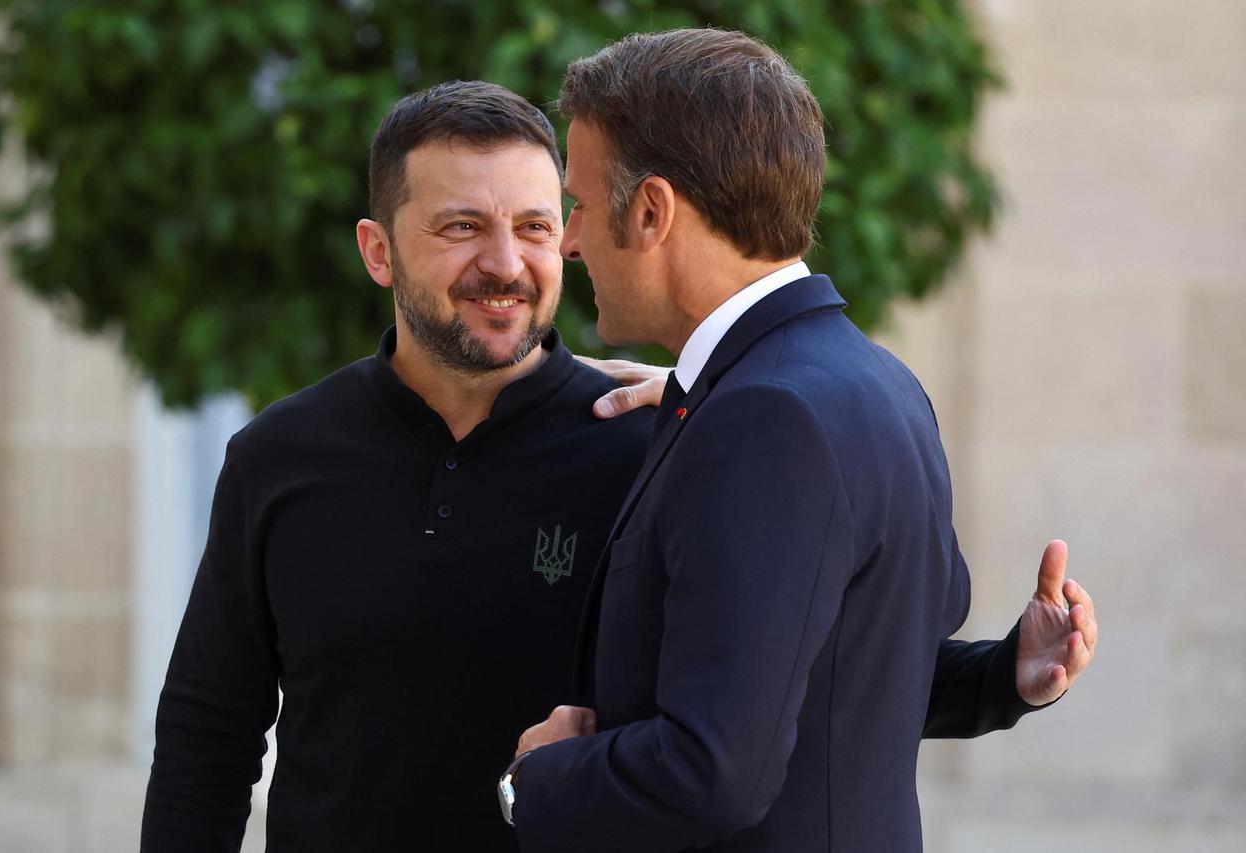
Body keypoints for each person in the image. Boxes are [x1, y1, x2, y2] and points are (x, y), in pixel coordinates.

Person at [141, 80, 1092, 852]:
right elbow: (207, 735)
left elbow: (792, 684)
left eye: (543, 223)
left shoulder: (653, 441)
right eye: (461, 227)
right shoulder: (277, 456)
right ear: (378, 251)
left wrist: (1001, 677)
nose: (507, 262)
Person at [508, 30, 1097, 853]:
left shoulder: (764, 419)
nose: (568, 241)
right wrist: (1003, 678)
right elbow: (838, 676)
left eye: (577, 203)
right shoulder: (876, 382)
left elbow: (715, 769)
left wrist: (537, 779)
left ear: (651, 212)